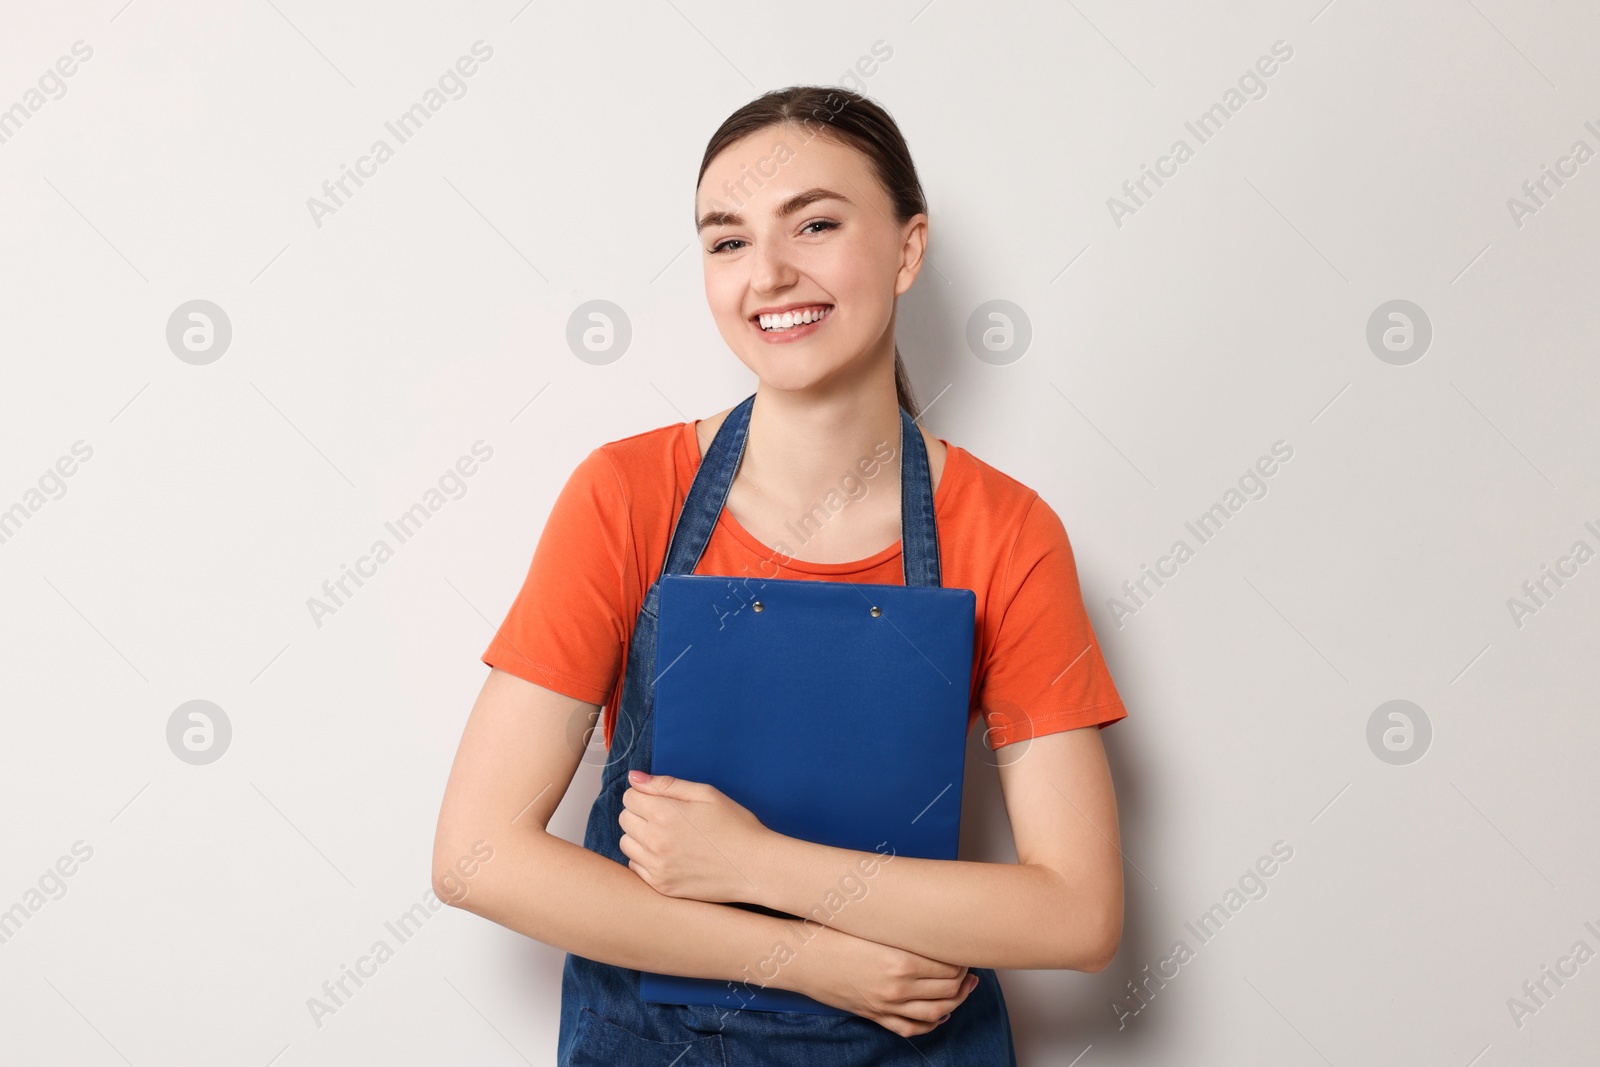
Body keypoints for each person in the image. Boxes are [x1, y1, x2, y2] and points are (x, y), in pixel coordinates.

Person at [432, 85, 1129, 1066]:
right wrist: (806, 956)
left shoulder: (1007, 531)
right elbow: (477, 853)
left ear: (906, 247)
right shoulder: (628, 495)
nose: (768, 273)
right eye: (727, 241)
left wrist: (758, 862)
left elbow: (1078, 909)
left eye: (814, 223)